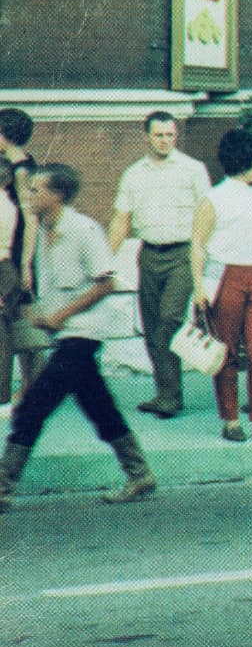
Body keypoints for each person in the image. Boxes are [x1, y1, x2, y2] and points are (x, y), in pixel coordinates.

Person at [0, 165, 157, 509]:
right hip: (63, 334)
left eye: (37, 190)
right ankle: (139, 473)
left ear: (57, 195)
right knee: (99, 407)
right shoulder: (42, 230)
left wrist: (61, 316)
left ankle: (3, 486)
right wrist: (39, 314)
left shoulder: (84, 230)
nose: (29, 195)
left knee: (32, 407)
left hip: (83, 334)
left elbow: (107, 282)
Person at [107, 111, 212, 419]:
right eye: (159, 135)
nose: (165, 140)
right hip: (149, 253)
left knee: (169, 318)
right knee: (153, 326)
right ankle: (167, 395)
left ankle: (170, 395)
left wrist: (204, 259)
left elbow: (207, 215)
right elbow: (120, 220)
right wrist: (104, 261)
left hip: (182, 254)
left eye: (170, 135)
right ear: (147, 136)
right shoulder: (133, 174)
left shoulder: (193, 170)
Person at [188, 129, 252, 444]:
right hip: (225, 276)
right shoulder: (213, 199)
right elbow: (198, 244)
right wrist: (199, 285)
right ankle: (230, 419)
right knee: (225, 351)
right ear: (243, 161)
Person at [0, 107, 40, 407]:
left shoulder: (21, 168)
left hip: (15, 249)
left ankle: (32, 387)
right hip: (9, 245)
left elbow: (31, 216)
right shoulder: (11, 163)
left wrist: (25, 261)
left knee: (22, 317)